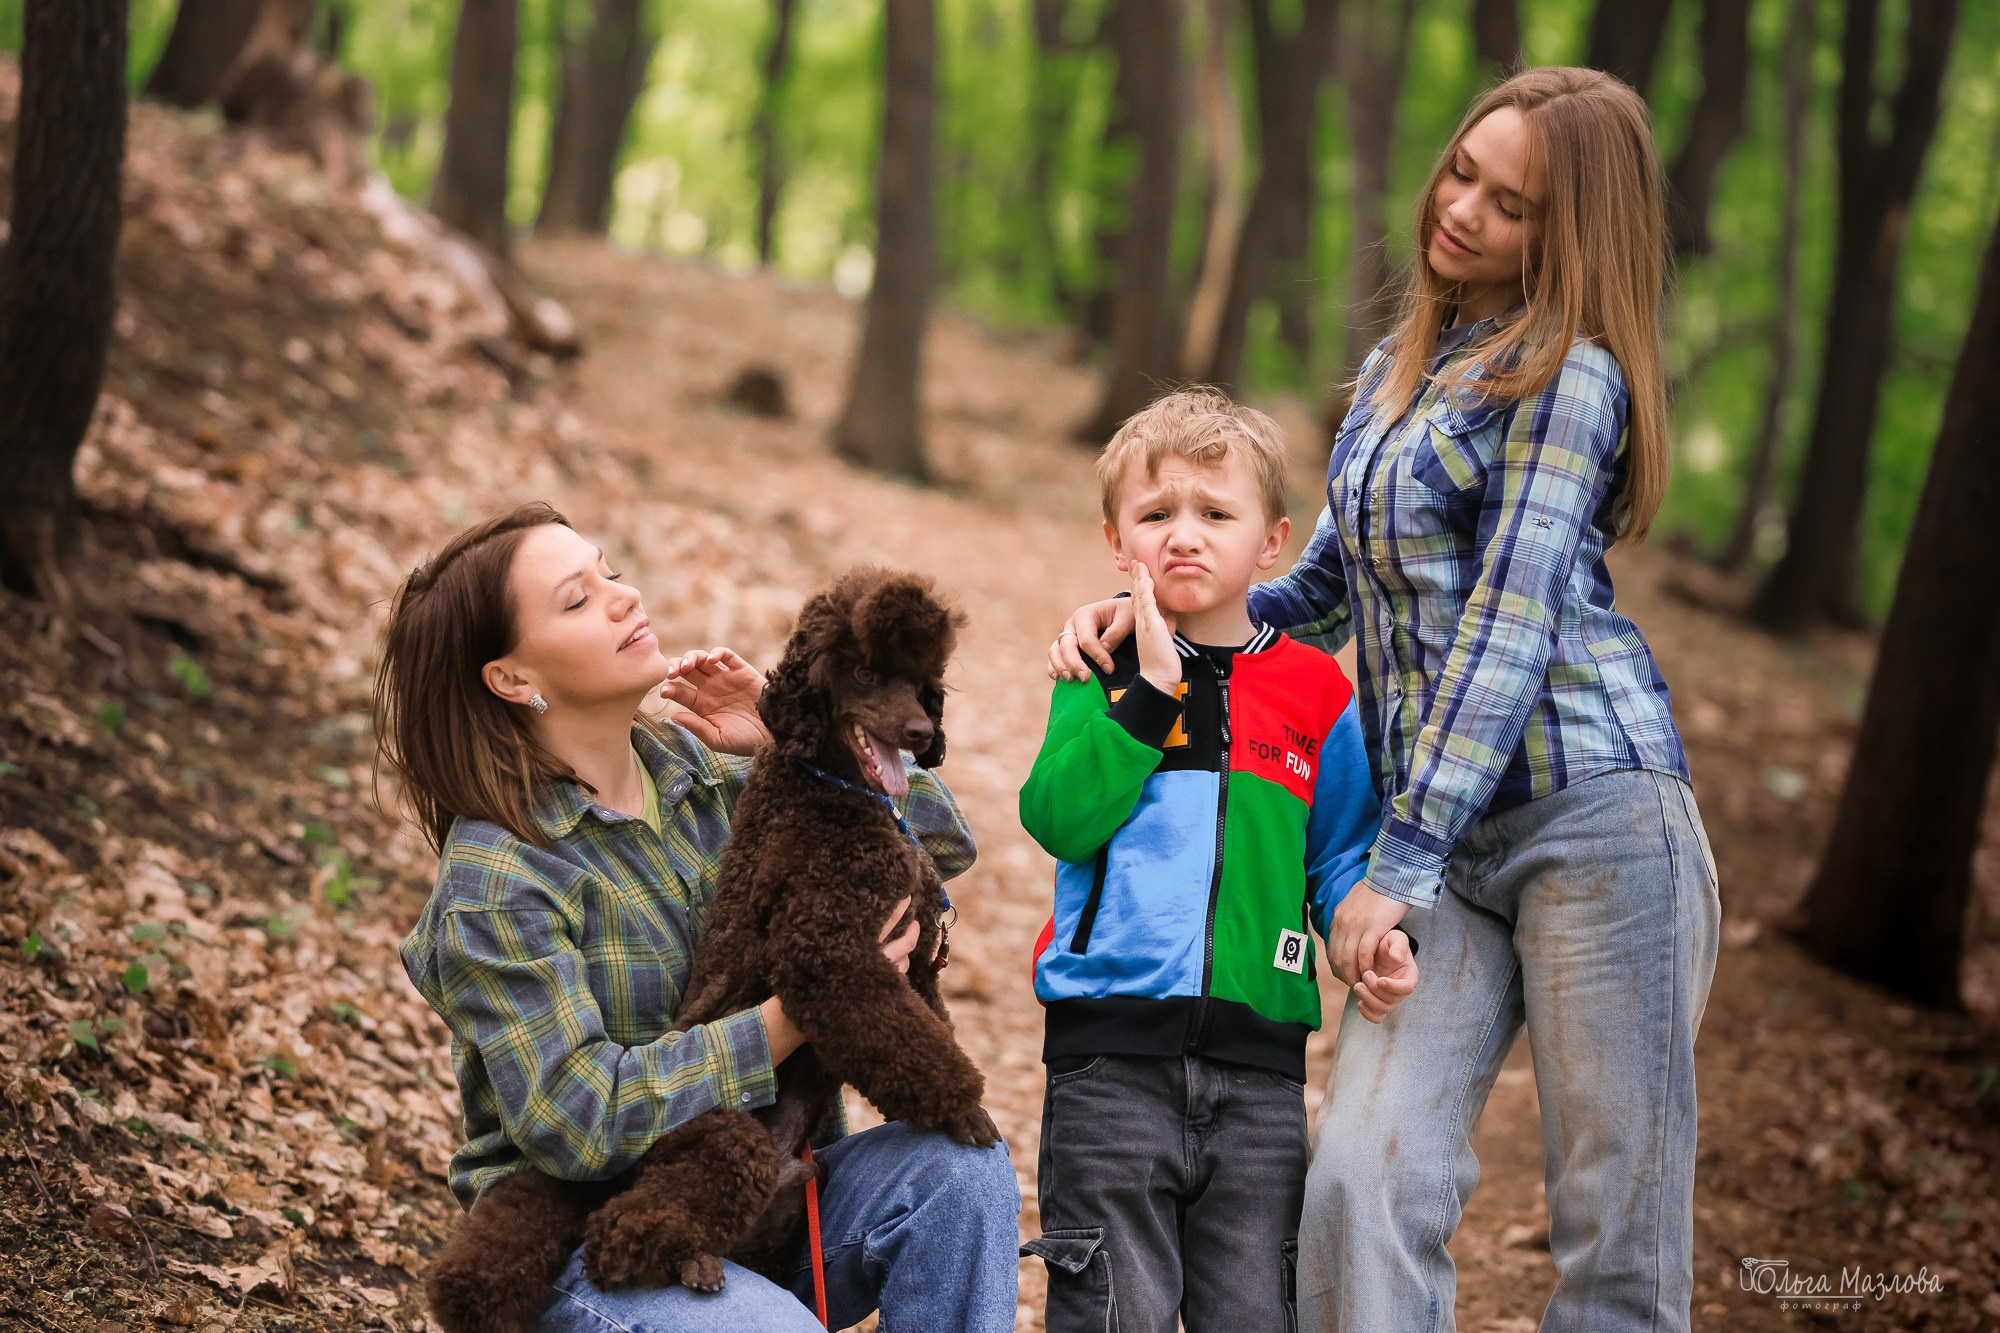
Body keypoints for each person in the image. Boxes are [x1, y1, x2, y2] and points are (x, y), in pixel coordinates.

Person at [1050, 69, 1721, 1333]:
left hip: (1597, 822)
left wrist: (1386, 870)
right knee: (1356, 1181)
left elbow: (1508, 631)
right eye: (1461, 170)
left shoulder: (1569, 377)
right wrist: (1157, 622)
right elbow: (1319, 588)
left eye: (1510, 204)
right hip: (1443, 846)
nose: (1460, 210)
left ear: (1569, 234)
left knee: (1610, 1234)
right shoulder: (1397, 368)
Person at [377, 501, 1021, 1331]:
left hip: (769, 1191)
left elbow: (942, 843)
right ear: (513, 678)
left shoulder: (703, 769)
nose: (622, 596)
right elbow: (577, 1115)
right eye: (577, 599)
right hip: (593, 1241)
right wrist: (787, 1021)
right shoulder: (499, 873)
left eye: (609, 570)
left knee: (963, 1170)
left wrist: (804, 732)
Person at [1020, 391, 1420, 1332]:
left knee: (1253, 1311)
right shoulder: (1103, 662)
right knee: (1117, 1311)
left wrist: (1368, 937)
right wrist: (1151, 697)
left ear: (1271, 541)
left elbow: (1337, 858)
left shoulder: (1318, 692)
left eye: (1215, 512)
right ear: (1118, 540)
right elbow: (1057, 818)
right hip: (1109, 1059)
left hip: (1260, 1078)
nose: (1184, 536)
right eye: (1156, 515)